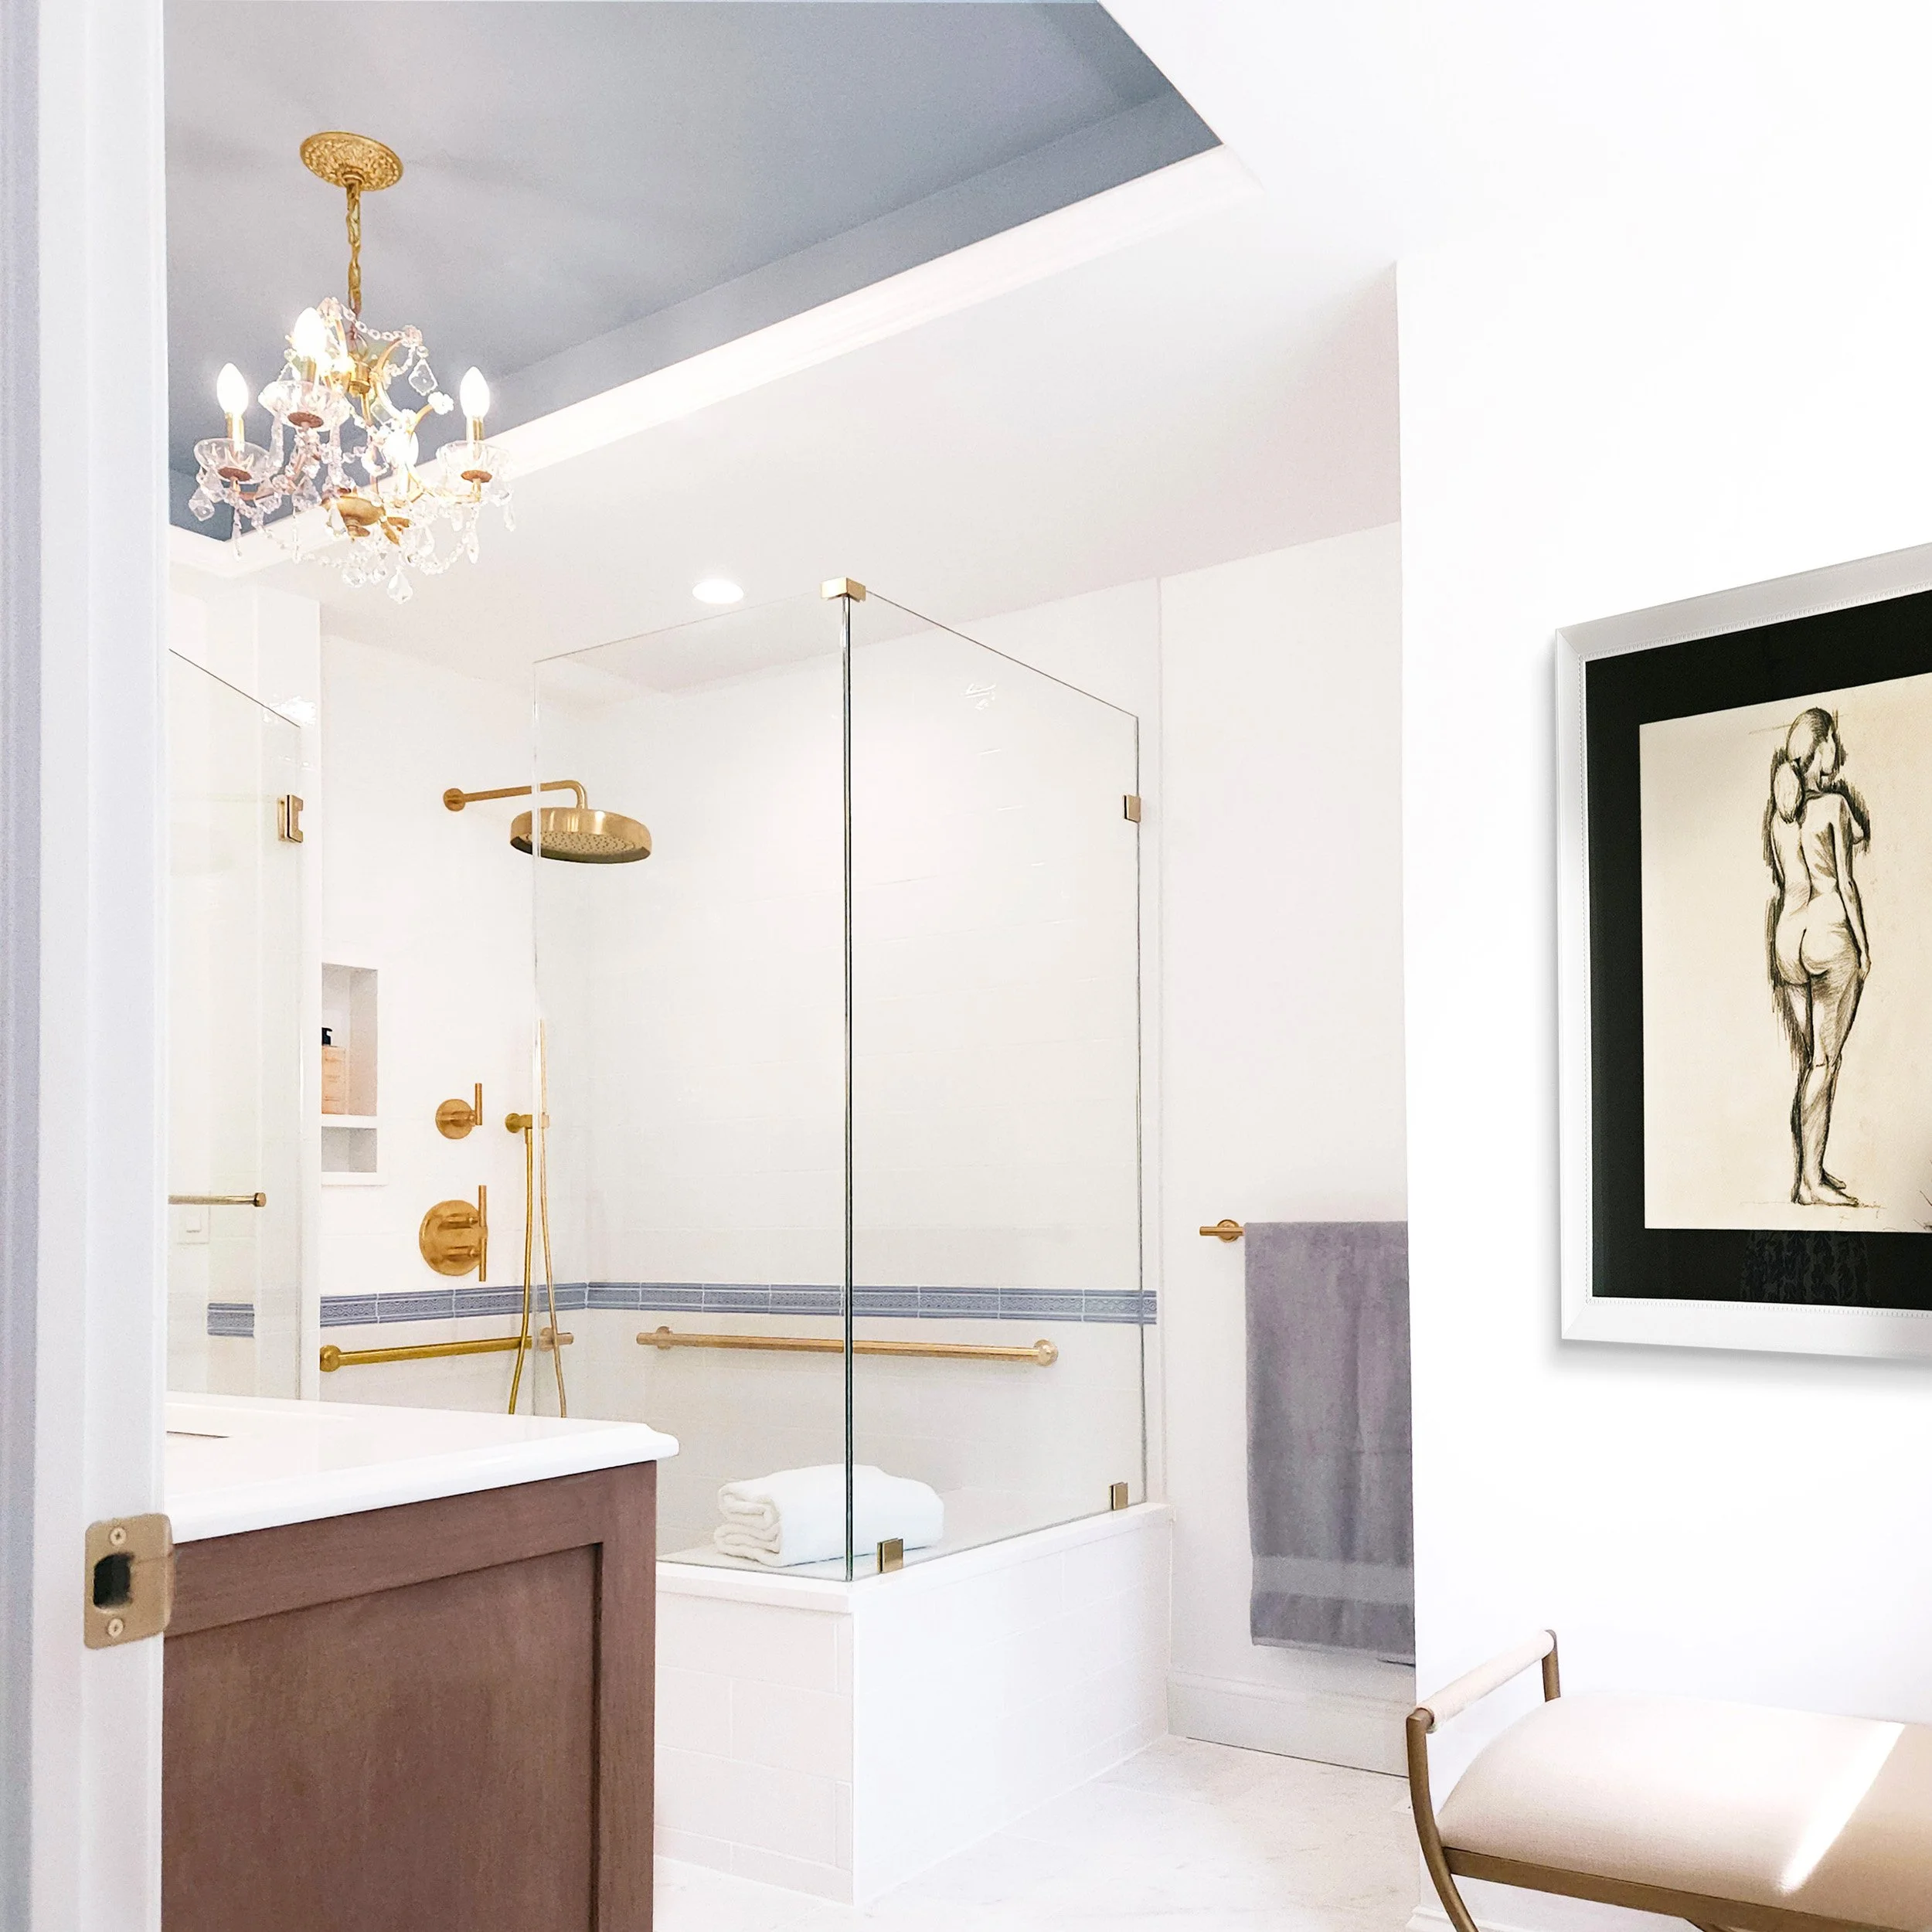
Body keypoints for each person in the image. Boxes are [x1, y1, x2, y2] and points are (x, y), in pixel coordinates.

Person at [1765, 706, 1871, 1206]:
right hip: (1830, 939)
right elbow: (1847, 885)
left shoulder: (1779, 816)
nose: (1839, 749)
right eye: (1835, 740)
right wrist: (1866, 951)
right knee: (1825, 1064)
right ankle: (1810, 1183)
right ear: (1821, 745)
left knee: (1811, 1065)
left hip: (1789, 943)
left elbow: (1789, 881)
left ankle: (1812, 1172)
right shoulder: (1835, 807)